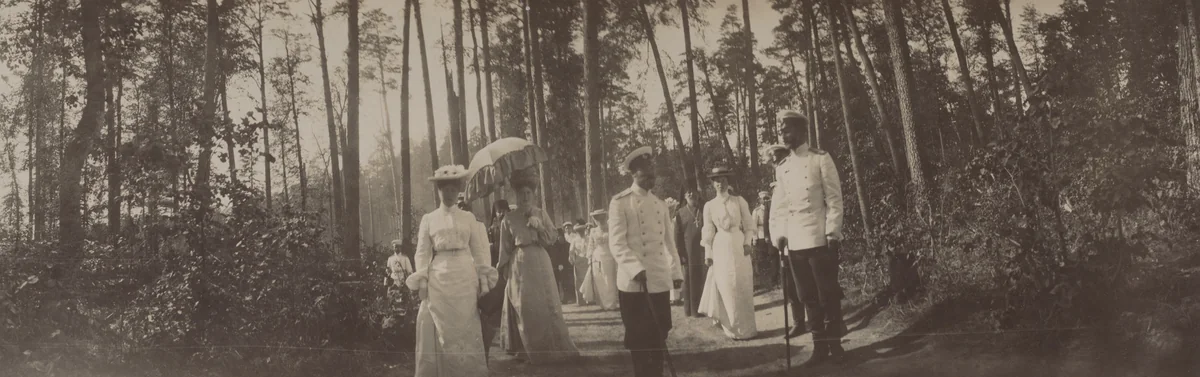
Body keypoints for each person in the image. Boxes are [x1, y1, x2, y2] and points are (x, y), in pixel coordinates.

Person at [405, 165, 499, 377]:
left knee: (466, 326)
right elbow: (422, 252)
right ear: (438, 191)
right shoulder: (429, 219)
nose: (448, 194)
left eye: (452, 189)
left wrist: (484, 281)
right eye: (444, 189)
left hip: (465, 276)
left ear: (459, 190)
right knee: (441, 328)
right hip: (440, 276)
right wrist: (422, 280)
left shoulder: (468, 218)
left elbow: (480, 251)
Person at [770, 110, 847, 366]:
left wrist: (833, 230)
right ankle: (819, 347)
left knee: (828, 294)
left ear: (801, 131)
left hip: (819, 237)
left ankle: (835, 346)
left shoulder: (820, 159)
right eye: (781, 131)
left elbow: (834, 198)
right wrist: (780, 234)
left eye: (787, 130)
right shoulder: (783, 167)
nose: (783, 134)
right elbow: (779, 206)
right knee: (807, 296)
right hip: (795, 240)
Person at [608, 146, 684, 377]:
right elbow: (617, 243)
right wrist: (635, 268)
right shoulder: (620, 203)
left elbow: (669, 244)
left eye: (652, 170)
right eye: (645, 171)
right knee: (639, 340)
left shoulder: (660, 204)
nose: (651, 175)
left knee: (659, 335)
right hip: (633, 284)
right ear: (633, 173)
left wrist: (675, 273)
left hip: (658, 280)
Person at [497, 169, 580, 364]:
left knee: (544, 303)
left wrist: (539, 227)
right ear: (516, 195)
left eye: (528, 193)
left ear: (533, 195)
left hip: (540, 260)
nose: (525, 197)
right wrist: (505, 269)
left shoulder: (541, 214)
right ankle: (526, 348)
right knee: (524, 305)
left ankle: (550, 345)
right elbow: (505, 248)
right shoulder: (508, 218)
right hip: (519, 263)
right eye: (521, 194)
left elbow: (552, 238)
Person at [696, 167, 758, 340]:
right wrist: (708, 253)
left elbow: (749, 224)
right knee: (726, 286)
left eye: (723, 180)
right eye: (716, 181)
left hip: (738, 245)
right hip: (721, 246)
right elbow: (707, 230)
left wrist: (747, 243)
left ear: (728, 182)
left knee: (742, 284)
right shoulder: (709, 206)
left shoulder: (738, 201)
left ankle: (747, 329)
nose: (720, 184)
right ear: (712, 184)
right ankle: (731, 329)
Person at [754, 187, 808, 338]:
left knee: (807, 286)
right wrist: (776, 242)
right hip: (784, 250)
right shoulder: (773, 202)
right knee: (789, 287)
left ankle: (821, 322)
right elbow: (770, 223)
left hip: (804, 245)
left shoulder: (800, 192)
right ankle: (799, 322)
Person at [579, 209, 619, 310]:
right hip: (597, 258)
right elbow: (591, 245)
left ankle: (611, 304)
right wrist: (589, 257)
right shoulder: (593, 231)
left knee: (610, 280)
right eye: (597, 218)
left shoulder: (611, 229)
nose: (599, 220)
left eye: (601, 217)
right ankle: (604, 304)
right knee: (600, 280)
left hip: (610, 256)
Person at [675, 189, 705, 317]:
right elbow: (677, 236)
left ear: (698, 195)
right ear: (685, 196)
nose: (691, 194)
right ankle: (690, 310)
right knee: (689, 280)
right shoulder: (680, 213)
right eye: (688, 193)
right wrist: (680, 253)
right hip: (688, 252)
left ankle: (703, 308)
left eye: (693, 192)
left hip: (703, 251)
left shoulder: (704, 210)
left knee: (703, 278)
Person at [665, 198, 683, 305]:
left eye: (672, 210)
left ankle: (676, 296)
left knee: (676, 271)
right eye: (669, 210)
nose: (671, 212)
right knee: (668, 271)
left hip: (675, 249)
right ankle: (670, 297)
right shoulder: (662, 223)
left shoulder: (675, 221)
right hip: (665, 249)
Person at [569, 223, 592, 305]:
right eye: (579, 231)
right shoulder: (574, 240)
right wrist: (572, 259)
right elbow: (571, 251)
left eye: (582, 231)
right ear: (576, 232)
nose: (581, 233)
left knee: (588, 280)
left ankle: (589, 299)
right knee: (578, 281)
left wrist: (590, 257)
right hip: (578, 261)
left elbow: (591, 248)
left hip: (587, 260)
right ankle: (580, 300)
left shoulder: (588, 238)